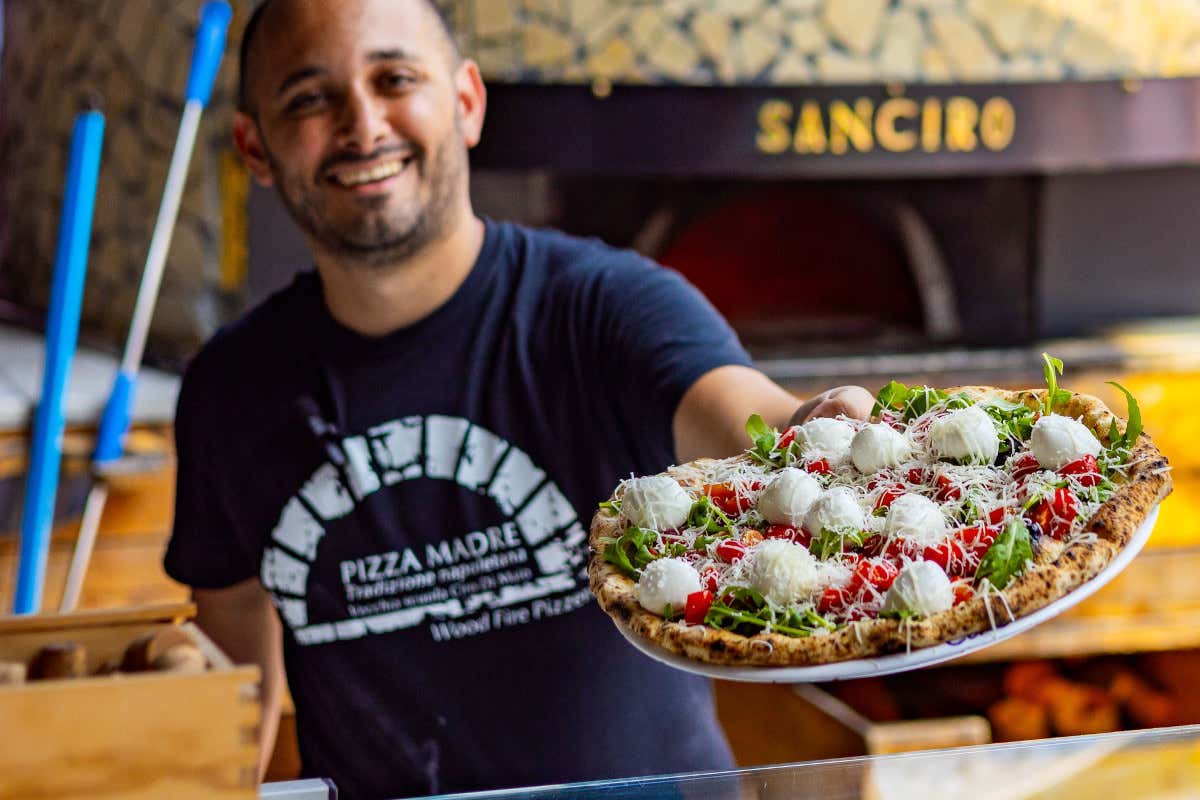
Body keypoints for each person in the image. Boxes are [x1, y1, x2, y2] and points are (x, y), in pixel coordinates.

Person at [163, 1, 874, 798]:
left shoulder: (605, 307)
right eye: (308, 99)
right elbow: (230, 669)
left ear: (466, 102)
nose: (362, 124)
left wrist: (811, 429)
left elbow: (748, 420)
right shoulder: (231, 389)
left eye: (394, 79)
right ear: (254, 147)